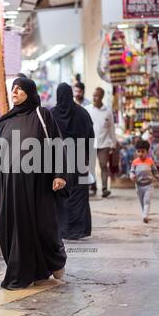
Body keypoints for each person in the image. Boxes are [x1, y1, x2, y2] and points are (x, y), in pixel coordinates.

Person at [0, 77, 67, 290]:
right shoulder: (4, 122)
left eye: (19, 89)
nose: (15, 92)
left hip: (38, 186)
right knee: (13, 230)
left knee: (43, 227)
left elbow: (57, 144)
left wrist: (59, 174)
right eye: (13, 89)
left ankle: (52, 262)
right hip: (8, 189)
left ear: (29, 91)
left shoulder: (42, 115)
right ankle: (21, 271)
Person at [51, 83, 94, 240]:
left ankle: (62, 229)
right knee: (79, 194)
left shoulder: (52, 114)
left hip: (59, 161)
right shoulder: (82, 113)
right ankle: (79, 229)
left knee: (61, 194)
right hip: (79, 159)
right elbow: (91, 135)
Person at [85, 87, 116, 197]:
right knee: (91, 166)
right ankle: (92, 186)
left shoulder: (107, 112)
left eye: (97, 96)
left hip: (104, 144)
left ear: (102, 97)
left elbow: (111, 128)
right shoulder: (87, 109)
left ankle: (104, 188)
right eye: (93, 95)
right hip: (91, 143)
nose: (95, 98)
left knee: (103, 165)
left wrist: (114, 143)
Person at [130, 139, 159, 224]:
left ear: (147, 152)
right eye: (138, 151)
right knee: (142, 202)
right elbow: (132, 171)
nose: (140, 154)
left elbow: (155, 171)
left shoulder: (150, 161)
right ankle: (144, 213)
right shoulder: (134, 162)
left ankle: (145, 216)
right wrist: (132, 176)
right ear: (136, 152)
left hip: (149, 186)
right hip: (139, 186)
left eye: (143, 151)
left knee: (147, 200)